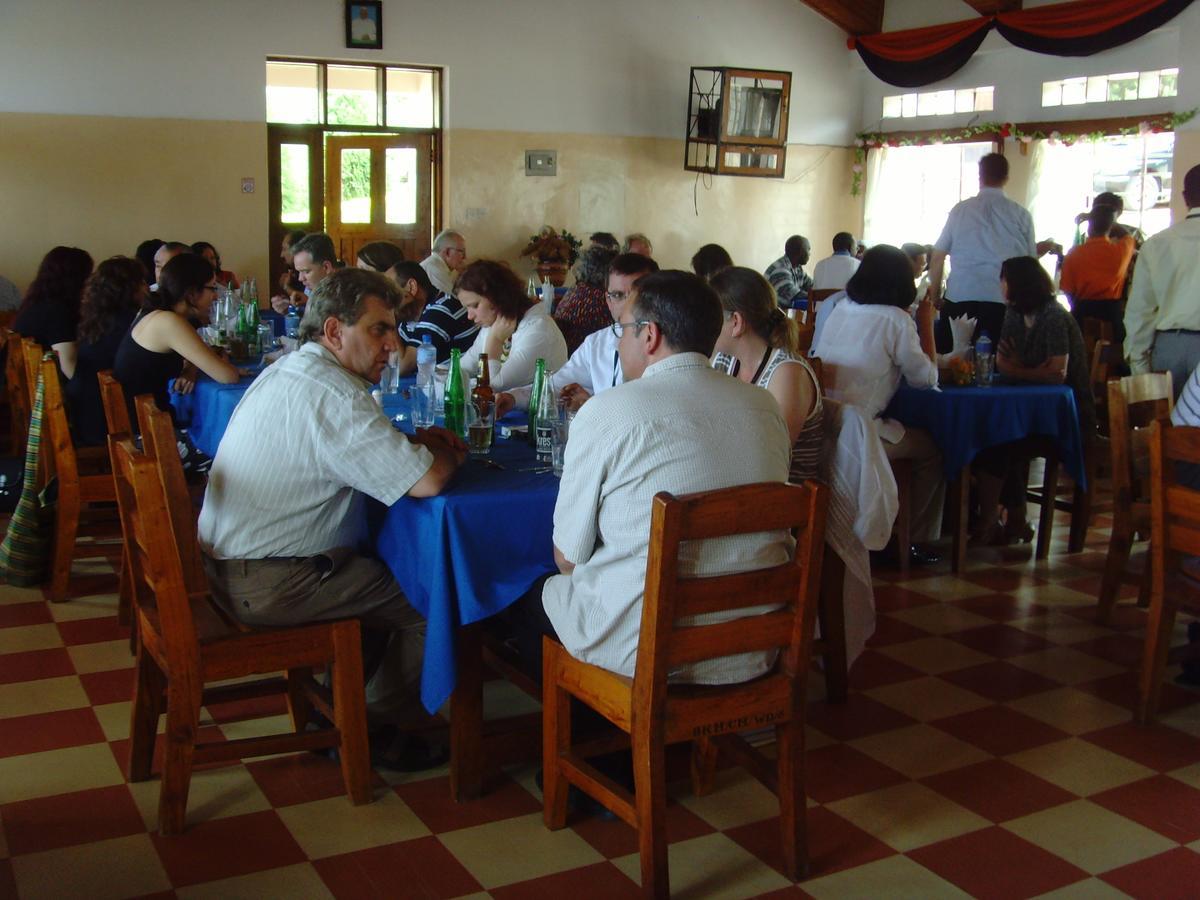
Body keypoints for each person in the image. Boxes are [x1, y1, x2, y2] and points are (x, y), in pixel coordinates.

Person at [197, 268, 466, 761]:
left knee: (381, 573)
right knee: (435, 601)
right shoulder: (335, 394)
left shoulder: (296, 369)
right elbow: (427, 481)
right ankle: (365, 726)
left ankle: (345, 707)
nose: (391, 345)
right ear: (335, 332)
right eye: (378, 329)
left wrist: (414, 444)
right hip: (269, 582)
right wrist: (449, 453)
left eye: (393, 330)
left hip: (229, 564)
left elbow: (360, 448)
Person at [508, 269, 794, 682]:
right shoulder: (764, 406)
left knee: (524, 597)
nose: (619, 340)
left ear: (650, 336)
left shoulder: (608, 411)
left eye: (622, 329)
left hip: (647, 651)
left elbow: (567, 558)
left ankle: (604, 732)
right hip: (750, 644)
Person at [812, 245, 942, 564]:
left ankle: (891, 522)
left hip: (823, 424)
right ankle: (915, 538)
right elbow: (925, 379)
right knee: (933, 449)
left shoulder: (842, 308)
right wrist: (926, 323)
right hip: (858, 432)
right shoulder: (896, 319)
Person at [971, 256, 1094, 544]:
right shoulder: (1014, 314)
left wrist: (1018, 369)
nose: (1000, 285)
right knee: (995, 435)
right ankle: (1015, 520)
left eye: (1003, 279)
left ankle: (990, 521)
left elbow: (1057, 374)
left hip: (1066, 417)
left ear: (1017, 283)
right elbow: (1002, 362)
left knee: (999, 442)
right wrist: (1028, 370)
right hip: (1030, 411)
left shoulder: (1053, 315)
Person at [498, 252, 659, 414]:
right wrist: (513, 398)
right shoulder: (597, 343)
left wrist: (591, 405)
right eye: (617, 295)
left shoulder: (667, 345)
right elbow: (556, 385)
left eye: (636, 295)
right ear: (608, 300)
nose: (627, 304)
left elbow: (649, 411)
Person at [711, 267, 822, 484]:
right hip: (737, 485)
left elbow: (768, 460)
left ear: (736, 322)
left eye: (709, 315)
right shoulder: (726, 361)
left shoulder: (787, 373)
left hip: (784, 498)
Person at [113, 253, 239, 435]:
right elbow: (228, 376)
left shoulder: (153, 311)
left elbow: (195, 356)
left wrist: (193, 368)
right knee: (231, 453)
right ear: (192, 293)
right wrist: (222, 360)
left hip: (145, 422)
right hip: (149, 436)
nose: (216, 297)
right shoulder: (168, 322)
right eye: (212, 288)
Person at [927, 153, 1036, 349]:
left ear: (980, 176)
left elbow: (937, 256)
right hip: (1003, 300)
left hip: (961, 297)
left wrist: (935, 296)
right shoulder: (1021, 214)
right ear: (1006, 178)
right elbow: (1030, 266)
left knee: (956, 366)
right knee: (999, 366)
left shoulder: (960, 210)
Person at [1124, 164, 1200, 394]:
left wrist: (1138, 362)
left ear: (1185, 197)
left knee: (1166, 427)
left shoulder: (1157, 244)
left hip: (1168, 348)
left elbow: (1140, 309)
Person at [66, 256, 145, 446]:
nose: (146, 287)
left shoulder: (97, 318)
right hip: (106, 424)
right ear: (129, 288)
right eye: (142, 282)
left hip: (83, 413)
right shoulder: (129, 323)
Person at [456, 260, 567, 390]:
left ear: (497, 296)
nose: (470, 316)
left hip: (539, 408)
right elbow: (461, 369)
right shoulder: (494, 324)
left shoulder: (538, 330)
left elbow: (492, 388)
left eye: (475, 306)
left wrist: (495, 341)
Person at [1060, 205, 1136, 349]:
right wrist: (1111, 223)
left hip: (1081, 314)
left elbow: (1068, 291)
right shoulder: (1120, 251)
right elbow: (1128, 236)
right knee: (1114, 361)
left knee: (1080, 358)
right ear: (1111, 227)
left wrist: (1077, 305)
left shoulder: (1073, 254)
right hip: (1112, 316)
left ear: (1089, 228)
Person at [13, 246, 94, 379]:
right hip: (51, 390)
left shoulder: (36, 303)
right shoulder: (57, 312)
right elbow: (68, 364)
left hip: (31, 384)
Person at [393, 261, 479, 371]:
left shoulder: (442, 309)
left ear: (411, 287)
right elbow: (390, 362)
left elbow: (402, 367)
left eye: (390, 290)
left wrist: (389, 317)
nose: (385, 298)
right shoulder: (408, 316)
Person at [552, 244, 617, 354]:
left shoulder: (578, 288)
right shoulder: (598, 298)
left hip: (567, 354)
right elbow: (618, 331)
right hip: (582, 359)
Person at [763, 235, 813, 309]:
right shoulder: (780, 269)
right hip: (770, 317)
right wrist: (820, 296)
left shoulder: (797, 269)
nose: (809, 254)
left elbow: (812, 286)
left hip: (782, 314)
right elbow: (795, 296)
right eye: (808, 249)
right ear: (799, 251)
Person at [290, 232, 338, 300]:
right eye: (299, 272)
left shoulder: (346, 298)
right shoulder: (312, 289)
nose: (300, 278)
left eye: (306, 271)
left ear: (326, 267)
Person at [270, 229, 308, 313]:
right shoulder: (291, 271)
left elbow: (309, 300)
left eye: (284, 249)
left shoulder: (312, 275)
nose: (281, 255)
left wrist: (286, 287)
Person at [421, 229, 467, 296]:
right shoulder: (435, 269)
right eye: (461, 251)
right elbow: (452, 301)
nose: (464, 257)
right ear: (447, 252)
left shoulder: (439, 265)